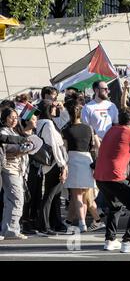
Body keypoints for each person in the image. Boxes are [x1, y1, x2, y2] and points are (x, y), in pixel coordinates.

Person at [94, 108, 130, 252]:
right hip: (115, 177)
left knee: (115, 206)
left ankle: (110, 240)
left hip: (100, 176)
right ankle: (128, 240)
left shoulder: (111, 130)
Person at [62, 102, 100, 232]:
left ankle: (82, 223)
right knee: (83, 194)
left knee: (77, 195)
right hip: (87, 160)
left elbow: (64, 149)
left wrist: (63, 165)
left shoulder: (66, 130)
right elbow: (97, 146)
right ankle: (71, 221)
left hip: (72, 160)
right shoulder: (89, 128)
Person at [36, 100, 69, 236]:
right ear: (48, 109)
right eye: (54, 107)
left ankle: (54, 223)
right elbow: (55, 147)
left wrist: (62, 108)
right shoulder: (48, 124)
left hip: (50, 164)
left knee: (54, 196)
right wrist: (63, 165)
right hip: (55, 163)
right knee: (50, 196)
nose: (56, 109)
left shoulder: (42, 122)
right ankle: (44, 226)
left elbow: (65, 119)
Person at [0, 108, 33, 240]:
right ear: (4, 118)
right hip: (9, 168)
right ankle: (11, 229)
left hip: (18, 169)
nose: (14, 120)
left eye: (16, 117)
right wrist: (22, 150)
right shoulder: (3, 131)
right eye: (11, 117)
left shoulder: (14, 131)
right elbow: (8, 150)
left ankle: (9, 228)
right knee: (17, 199)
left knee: (11, 200)